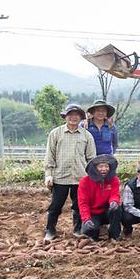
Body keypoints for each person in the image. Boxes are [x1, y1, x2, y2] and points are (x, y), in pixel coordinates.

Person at [43, 103, 96, 242]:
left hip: (80, 177)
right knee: (55, 205)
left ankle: (78, 230)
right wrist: (48, 174)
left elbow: (91, 159)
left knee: (79, 205)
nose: (73, 117)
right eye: (70, 115)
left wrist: (92, 177)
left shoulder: (87, 135)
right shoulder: (55, 133)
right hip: (60, 176)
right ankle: (50, 230)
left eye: (76, 115)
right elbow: (50, 156)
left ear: (80, 117)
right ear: (65, 117)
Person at [78, 154, 121, 241]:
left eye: (106, 166)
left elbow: (115, 194)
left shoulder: (114, 180)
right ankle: (96, 234)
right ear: (94, 168)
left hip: (107, 210)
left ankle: (114, 235)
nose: (104, 169)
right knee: (89, 230)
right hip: (93, 213)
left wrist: (114, 201)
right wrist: (86, 219)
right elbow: (83, 203)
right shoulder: (84, 182)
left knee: (117, 209)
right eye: (100, 166)